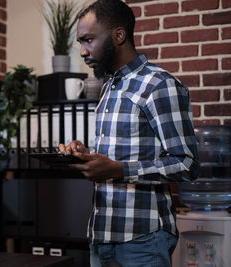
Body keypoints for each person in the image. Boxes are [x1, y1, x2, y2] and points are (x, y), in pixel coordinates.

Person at [59, 0, 200, 266]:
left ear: (119, 35)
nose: (82, 51)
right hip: (102, 235)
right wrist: (87, 155)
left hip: (142, 240)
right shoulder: (109, 86)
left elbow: (187, 163)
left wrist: (118, 170)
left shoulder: (159, 84)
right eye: (80, 42)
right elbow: (120, 154)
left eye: (88, 40)